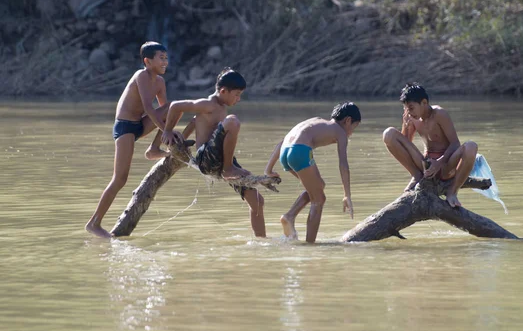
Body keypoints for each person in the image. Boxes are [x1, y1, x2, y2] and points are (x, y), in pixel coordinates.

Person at [161, 67, 267, 237]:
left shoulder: (219, 107)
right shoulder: (208, 104)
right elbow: (175, 106)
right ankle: (228, 169)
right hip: (208, 159)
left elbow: (196, 121)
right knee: (232, 121)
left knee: (257, 201)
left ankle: (261, 242)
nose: (238, 99)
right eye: (237, 95)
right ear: (223, 91)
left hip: (221, 159)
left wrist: (183, 139)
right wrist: (167, 131)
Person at [86, 41, 176, 238]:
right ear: (147, 61)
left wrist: (168, 132)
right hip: (125, 126)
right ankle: (94, 223)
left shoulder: (160, 82)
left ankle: (153, 149)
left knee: (172, 107)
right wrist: (166, 131)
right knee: (120, 179)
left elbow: (164, 113)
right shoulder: (141, 76)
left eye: (166, 58)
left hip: (140, 124)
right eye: (161, 58)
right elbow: (149, 107)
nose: (165, 62)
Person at [264, 102, 361, 242]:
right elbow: (343, 164)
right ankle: (309, 244)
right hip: (299, 152)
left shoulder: (316, 121)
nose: (352, 132)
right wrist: (347, 195)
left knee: (318, 186)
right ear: (348, 121)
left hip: (285, 152)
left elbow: (282, 142)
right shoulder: (341, 132)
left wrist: (268, 169)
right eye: (354, 127)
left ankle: (290, 216)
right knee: (319, 199)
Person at [382, 83, 478, 208]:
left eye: (411, 108)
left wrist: (439, 162)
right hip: (425, 165)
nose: (409, 113)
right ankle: (416, 175)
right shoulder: (412, 118)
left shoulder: (439, 114)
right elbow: (406, 144)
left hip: (446, 165)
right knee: (389, 134)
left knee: (471, 146)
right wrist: (405, 125)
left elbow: (455, 144)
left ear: (424, 103)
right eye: (406, 109)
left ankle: (452, 192)